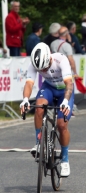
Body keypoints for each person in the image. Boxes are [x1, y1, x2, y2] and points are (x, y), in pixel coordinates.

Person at [19, 43, 74, 177]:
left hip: (64, 92)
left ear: (49, 58)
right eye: (41, 70)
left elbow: (69, 84)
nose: (44, 71)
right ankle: (39, 144)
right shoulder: (34, 63)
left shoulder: (61, 60)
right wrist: (25, 99)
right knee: (38, 108)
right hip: (49, 88)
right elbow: (29, 83)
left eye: (46, 67)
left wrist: (66, 102)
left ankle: (65, 159)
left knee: (62, 125)